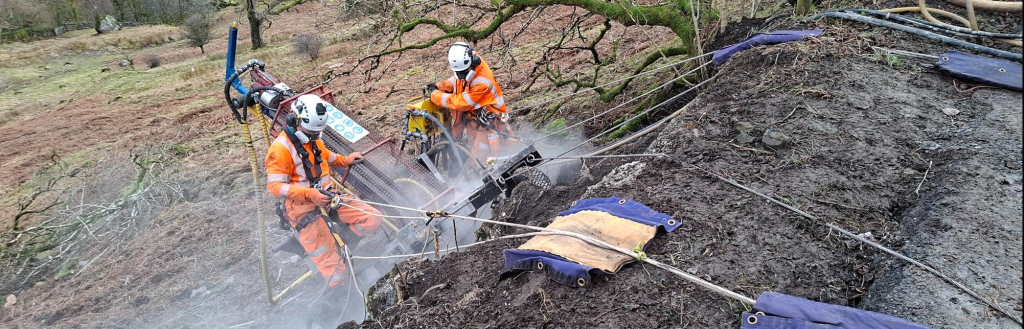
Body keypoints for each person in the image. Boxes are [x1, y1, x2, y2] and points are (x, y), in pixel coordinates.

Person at [264, 94, 382, 288]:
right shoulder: (280, 150)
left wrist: (347, 160)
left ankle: (342, 244)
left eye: (316, 133)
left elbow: (326, 157)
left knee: (372, 218)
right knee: (335, 272)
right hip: (303, 211)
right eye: (310, 132)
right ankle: (342, 297)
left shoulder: (313, 139)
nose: (313, 136)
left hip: (329, 198)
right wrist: (310, 195)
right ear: (295, 120)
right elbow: (274, 187)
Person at [426, 42, 514, 160]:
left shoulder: (482, 81)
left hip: (489, 123)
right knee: (474, 152)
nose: (462, 75)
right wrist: (441, 86)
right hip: (474, 120)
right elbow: (459, 82)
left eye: (463, 72)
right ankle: (479, 171)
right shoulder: (467, 67)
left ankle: (486, 174)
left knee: (480, 159)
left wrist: (435, 95)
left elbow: (460, 102)